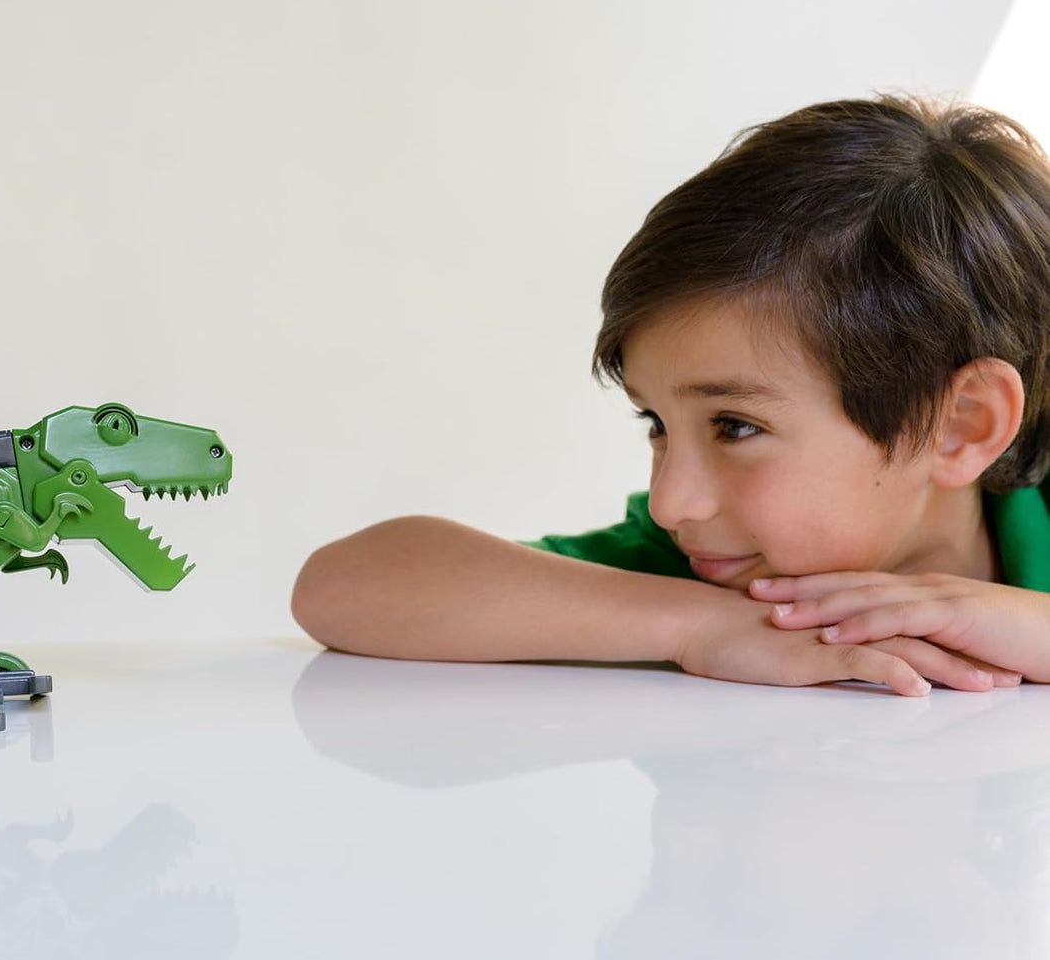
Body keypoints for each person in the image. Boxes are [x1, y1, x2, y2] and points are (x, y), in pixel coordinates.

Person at [290, 95, 1050, 697]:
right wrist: (697, 626)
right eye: (656, 422)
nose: (670, 503)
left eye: (734, 426)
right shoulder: (707, 578)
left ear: (961, 424)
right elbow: (342, 586)